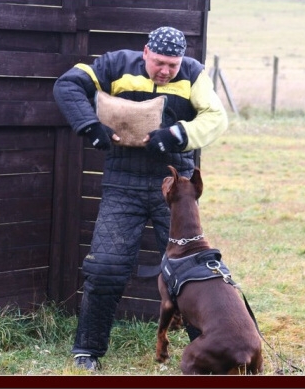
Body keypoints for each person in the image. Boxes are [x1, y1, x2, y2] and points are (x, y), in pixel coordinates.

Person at [53, 26, 228, 371]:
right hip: (123, 183)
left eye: (172, 66)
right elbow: (67, 84)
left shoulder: (193, 73)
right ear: (145, 51)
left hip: (177, 186)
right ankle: (87, 351)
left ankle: (211, 349)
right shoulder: (115, 64)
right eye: (160, 62)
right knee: (105, 268)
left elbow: (216, 117)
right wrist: (90, 126)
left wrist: (177, 134)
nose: (165, 71)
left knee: (193, 271)